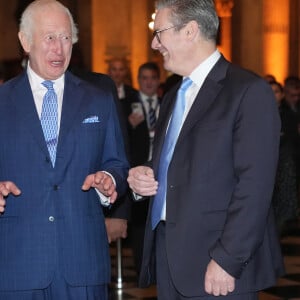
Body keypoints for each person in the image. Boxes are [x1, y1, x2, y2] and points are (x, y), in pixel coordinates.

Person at [127, 0, 284, 299]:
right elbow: (178, 161)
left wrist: (228, 259)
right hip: (171, 258)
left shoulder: (248, 91)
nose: (154, 43)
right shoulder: (173, 95)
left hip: (218, 264)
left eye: (159, 32)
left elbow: (255, 186)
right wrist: (143, 175)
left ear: (190, 31)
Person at [0, 1, 129, 299]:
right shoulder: (3, 102)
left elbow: (117, 163)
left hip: (82, 261)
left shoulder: (98, 99)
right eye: (49, 38)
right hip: (18, 261)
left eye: (66, 37)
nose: (59, 49)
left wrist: (109, 179)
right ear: (25, 41)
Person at [129, 62, 161, 276]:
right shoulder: (127, 104)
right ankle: (142, 270)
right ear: (138, 80)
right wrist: (129, 124)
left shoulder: (169, 102)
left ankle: (160, 268)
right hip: (139, 171)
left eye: (152, 78)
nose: (148, 82)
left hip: (161, 173)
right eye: (144, 78)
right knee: (140, 224)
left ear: (158, 81)